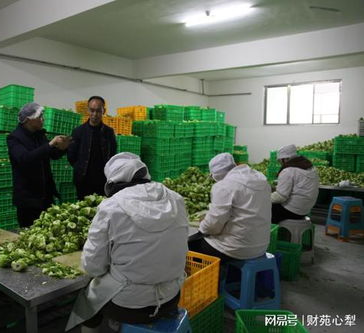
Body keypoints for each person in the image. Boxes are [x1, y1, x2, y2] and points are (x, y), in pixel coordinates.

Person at [67, 153, 188, 333]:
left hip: (129, 304)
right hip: (171, 297)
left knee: (88, 299)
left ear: (113, 181)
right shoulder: (176, 199)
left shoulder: (111, 207)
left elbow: (93, 267)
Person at [188, 153, 271, 262]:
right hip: (261, 245)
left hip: (237, 248)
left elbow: (213, 227)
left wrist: (203, 223)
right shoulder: (260, 179)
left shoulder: (224, 186)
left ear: (216, 174)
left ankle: (212, 277)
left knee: (190, 245)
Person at [7, 102, 71, 227]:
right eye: (40, 117)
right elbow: (25, 159)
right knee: (30, 232)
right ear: (29, 119)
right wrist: (50, 144)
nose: (43, 119)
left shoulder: (40, 135)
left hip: (45, 194)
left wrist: (63, 148)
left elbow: (52, 155)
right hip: (28, 198)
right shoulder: (14, 138)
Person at [68, 96, 117, 199]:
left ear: (104, 111)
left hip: (103, 181)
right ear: (88, 110)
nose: (95, 114)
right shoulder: (78, 132)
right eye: (92, 110)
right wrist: (80, 168)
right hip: (83, 181)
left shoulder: (109, 132)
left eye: (98, 111)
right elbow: (71, 156)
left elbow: (113, 154)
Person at [271, 144, 320, 223]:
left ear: (285, 159)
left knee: (264, 209)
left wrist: (265, 198)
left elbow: (281, 197)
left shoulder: (288, 170)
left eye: (280, 161)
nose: (280, 163)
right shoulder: (310, 167)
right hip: (306, 209)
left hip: (292, 211)